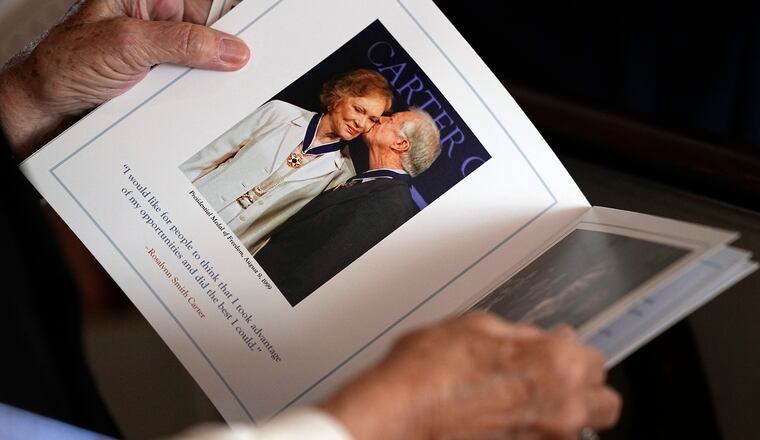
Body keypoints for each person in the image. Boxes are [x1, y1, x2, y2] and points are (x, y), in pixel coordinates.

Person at [0, 0, 620, 438]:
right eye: (362, 111)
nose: (365, 125)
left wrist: (25, 100)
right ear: (335, 98)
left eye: (377, 120)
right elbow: (214, 162)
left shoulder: (347, 181)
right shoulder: (275, 117)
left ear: (399, 146)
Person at [179, 69, 393, 255]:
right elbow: (206, 158)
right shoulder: (280, 113)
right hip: (192, 207)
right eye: (359, 109)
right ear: (339, 97)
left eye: (372, 120)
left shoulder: (342, 173)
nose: (361, 123)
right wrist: (171, 195)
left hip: (233, 243)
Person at [255, 108, 441, 306]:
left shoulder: (390, 204)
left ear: (400, 144)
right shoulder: (374, 185)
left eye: (391, 119)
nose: (380, 118)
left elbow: (323, 269)